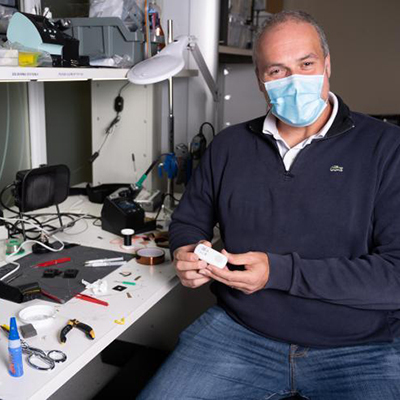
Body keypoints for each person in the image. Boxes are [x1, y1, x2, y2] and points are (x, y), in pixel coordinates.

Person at [138, 10, 400, 400]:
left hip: (360, 345)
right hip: (240, 332)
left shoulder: (386, 147)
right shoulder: (228, 147)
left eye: (306, 64)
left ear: (327, 66)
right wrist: (188, 253)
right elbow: (188, 221)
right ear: (261, 82)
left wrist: (278, 272)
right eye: (276, 71)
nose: (293, 80)